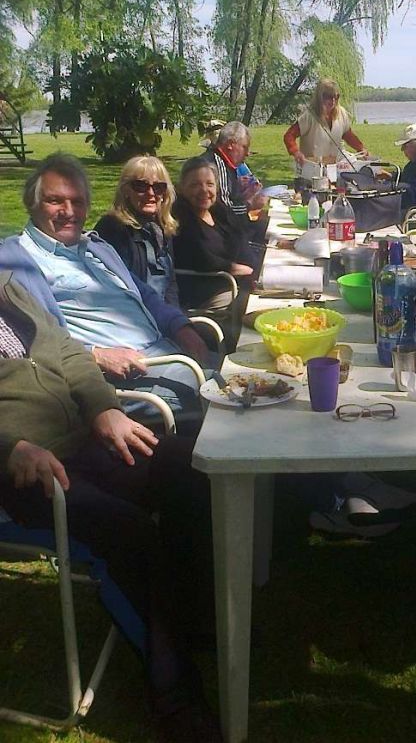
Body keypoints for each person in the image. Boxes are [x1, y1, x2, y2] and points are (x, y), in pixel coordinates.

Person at [0, 272, 220, 742]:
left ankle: (192, 620)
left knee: (194, 468)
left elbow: (69, 354)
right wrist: (9, 448)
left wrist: (104, 408)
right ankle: (176, 698)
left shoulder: (8, 289)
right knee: (126, 531)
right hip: (17, 472)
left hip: (79, 441)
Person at [0, 153, 210, 426]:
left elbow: (143, 293)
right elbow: (30, 340)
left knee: (254, 375)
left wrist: (181, 326)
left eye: (77, 202)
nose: (69, 211)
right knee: (236, 395)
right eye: (55, 201)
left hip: (168, 353)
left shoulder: (96, 247)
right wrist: (96, 355)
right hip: (121, 379)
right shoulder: (15, 262)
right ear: (32, 203)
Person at [173, 156, 253, 353]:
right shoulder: (180, 218)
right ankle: (239, 353)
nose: (204, 191)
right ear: (181, 188)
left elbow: (240, 235)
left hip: (234, 280)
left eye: (209, 184)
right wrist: (233, 268)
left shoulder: (217, 210)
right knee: (253, 307)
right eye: (195, 185)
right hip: (208, 289)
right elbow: (199, 257)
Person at [95, 154, 180, 306]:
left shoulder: (162, 228)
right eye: (141, 186)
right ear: (126, 190)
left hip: (164, 315)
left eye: (158, 187)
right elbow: (119, 287)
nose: (151, 194)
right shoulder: (113, 228)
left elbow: (170, 284)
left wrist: (175, 319)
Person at [202, 120, 267, 271]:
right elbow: (225, 212)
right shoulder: (217, 166)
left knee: (265, 227)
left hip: (222, 232)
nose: (247, 153)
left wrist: (243, 194)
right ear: (231, 144)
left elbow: (227, 200)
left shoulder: (222, 163)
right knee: (265, 239)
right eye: (244, 147)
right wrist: (251, 204)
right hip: (219, 239)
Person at [283, 78, 368, 179]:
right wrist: (296, 152)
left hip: (336, 164)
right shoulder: (309, 116)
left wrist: (361, 148)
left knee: (362, 170)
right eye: (328, 97)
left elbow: (348, 134)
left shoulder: (341, 113)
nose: (332, 101)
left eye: (335, 97)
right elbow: (289, 136)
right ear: (319, 97)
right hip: (313, 168)